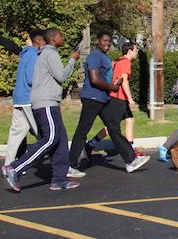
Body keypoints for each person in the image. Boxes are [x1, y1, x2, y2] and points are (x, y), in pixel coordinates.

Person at [3, 28, 80, 191]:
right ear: (52, 38)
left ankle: (59, 179)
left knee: (60, 141)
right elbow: (62, 76)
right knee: (50, 138)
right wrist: (72, 60)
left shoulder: (40, 54)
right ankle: (14, 168)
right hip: (45, 103)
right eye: (60, 35)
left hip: (47, 101)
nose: (63, 37)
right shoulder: (50, 53)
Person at [68, 31, 150, 176]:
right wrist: (112, 87)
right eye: (104, 40)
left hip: (104, 98)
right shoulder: (94, 56)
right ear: (97, 41)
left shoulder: (106, 58)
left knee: (113, 128)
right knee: (83, 130)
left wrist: (114, 83)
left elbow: (105, 79)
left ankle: (130, 161)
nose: (107, 43)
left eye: (109, 42)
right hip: (92, 98)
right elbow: (94, 79)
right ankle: (70, 166)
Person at [84, 42, 141, 158]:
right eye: (136, 49)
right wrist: (130, 99)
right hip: (117, 98)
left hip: (114, 96)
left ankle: (131, 148)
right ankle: (90, 144)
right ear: (129, 51)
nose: (137, 52)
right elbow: (124, 80)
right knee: (112, 126)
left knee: (129, 120)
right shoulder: (126, 62)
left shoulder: (116, 61)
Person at [4, 30, 43, 168]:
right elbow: (31, 78)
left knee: (16, 133)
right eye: (44, 40)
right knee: (45, 136)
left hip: (19, 98)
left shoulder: (26, 53)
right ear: (38, 41)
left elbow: (13, 46)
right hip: (28, 98)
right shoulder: (33, 55)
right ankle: (61, 167)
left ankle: (8, 165)